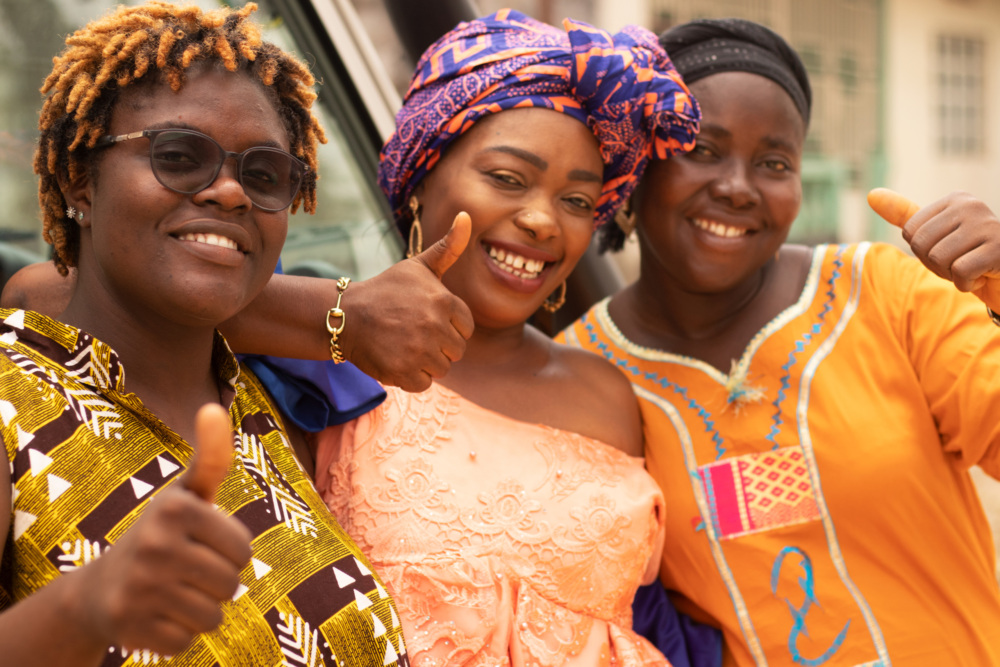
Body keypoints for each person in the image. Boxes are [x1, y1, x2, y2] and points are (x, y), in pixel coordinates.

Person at [561, 17, 1000, 667]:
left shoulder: (884, 293)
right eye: (702, 150)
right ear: (636, 167)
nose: (737, 187)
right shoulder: (580, 375)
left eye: (774, 162)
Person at [0, 3, 413, 665]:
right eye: (178, 156)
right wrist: (83, 605)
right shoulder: (11, 399)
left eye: (262, 173)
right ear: (80, 179)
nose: (229, 193)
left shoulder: (269, 401)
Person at [311, 10, 701, 666]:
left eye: (578, 201)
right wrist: (336, 316)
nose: (542, 219)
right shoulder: (327, 357)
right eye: (507, 179)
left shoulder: (608, 391)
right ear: (423, 175)